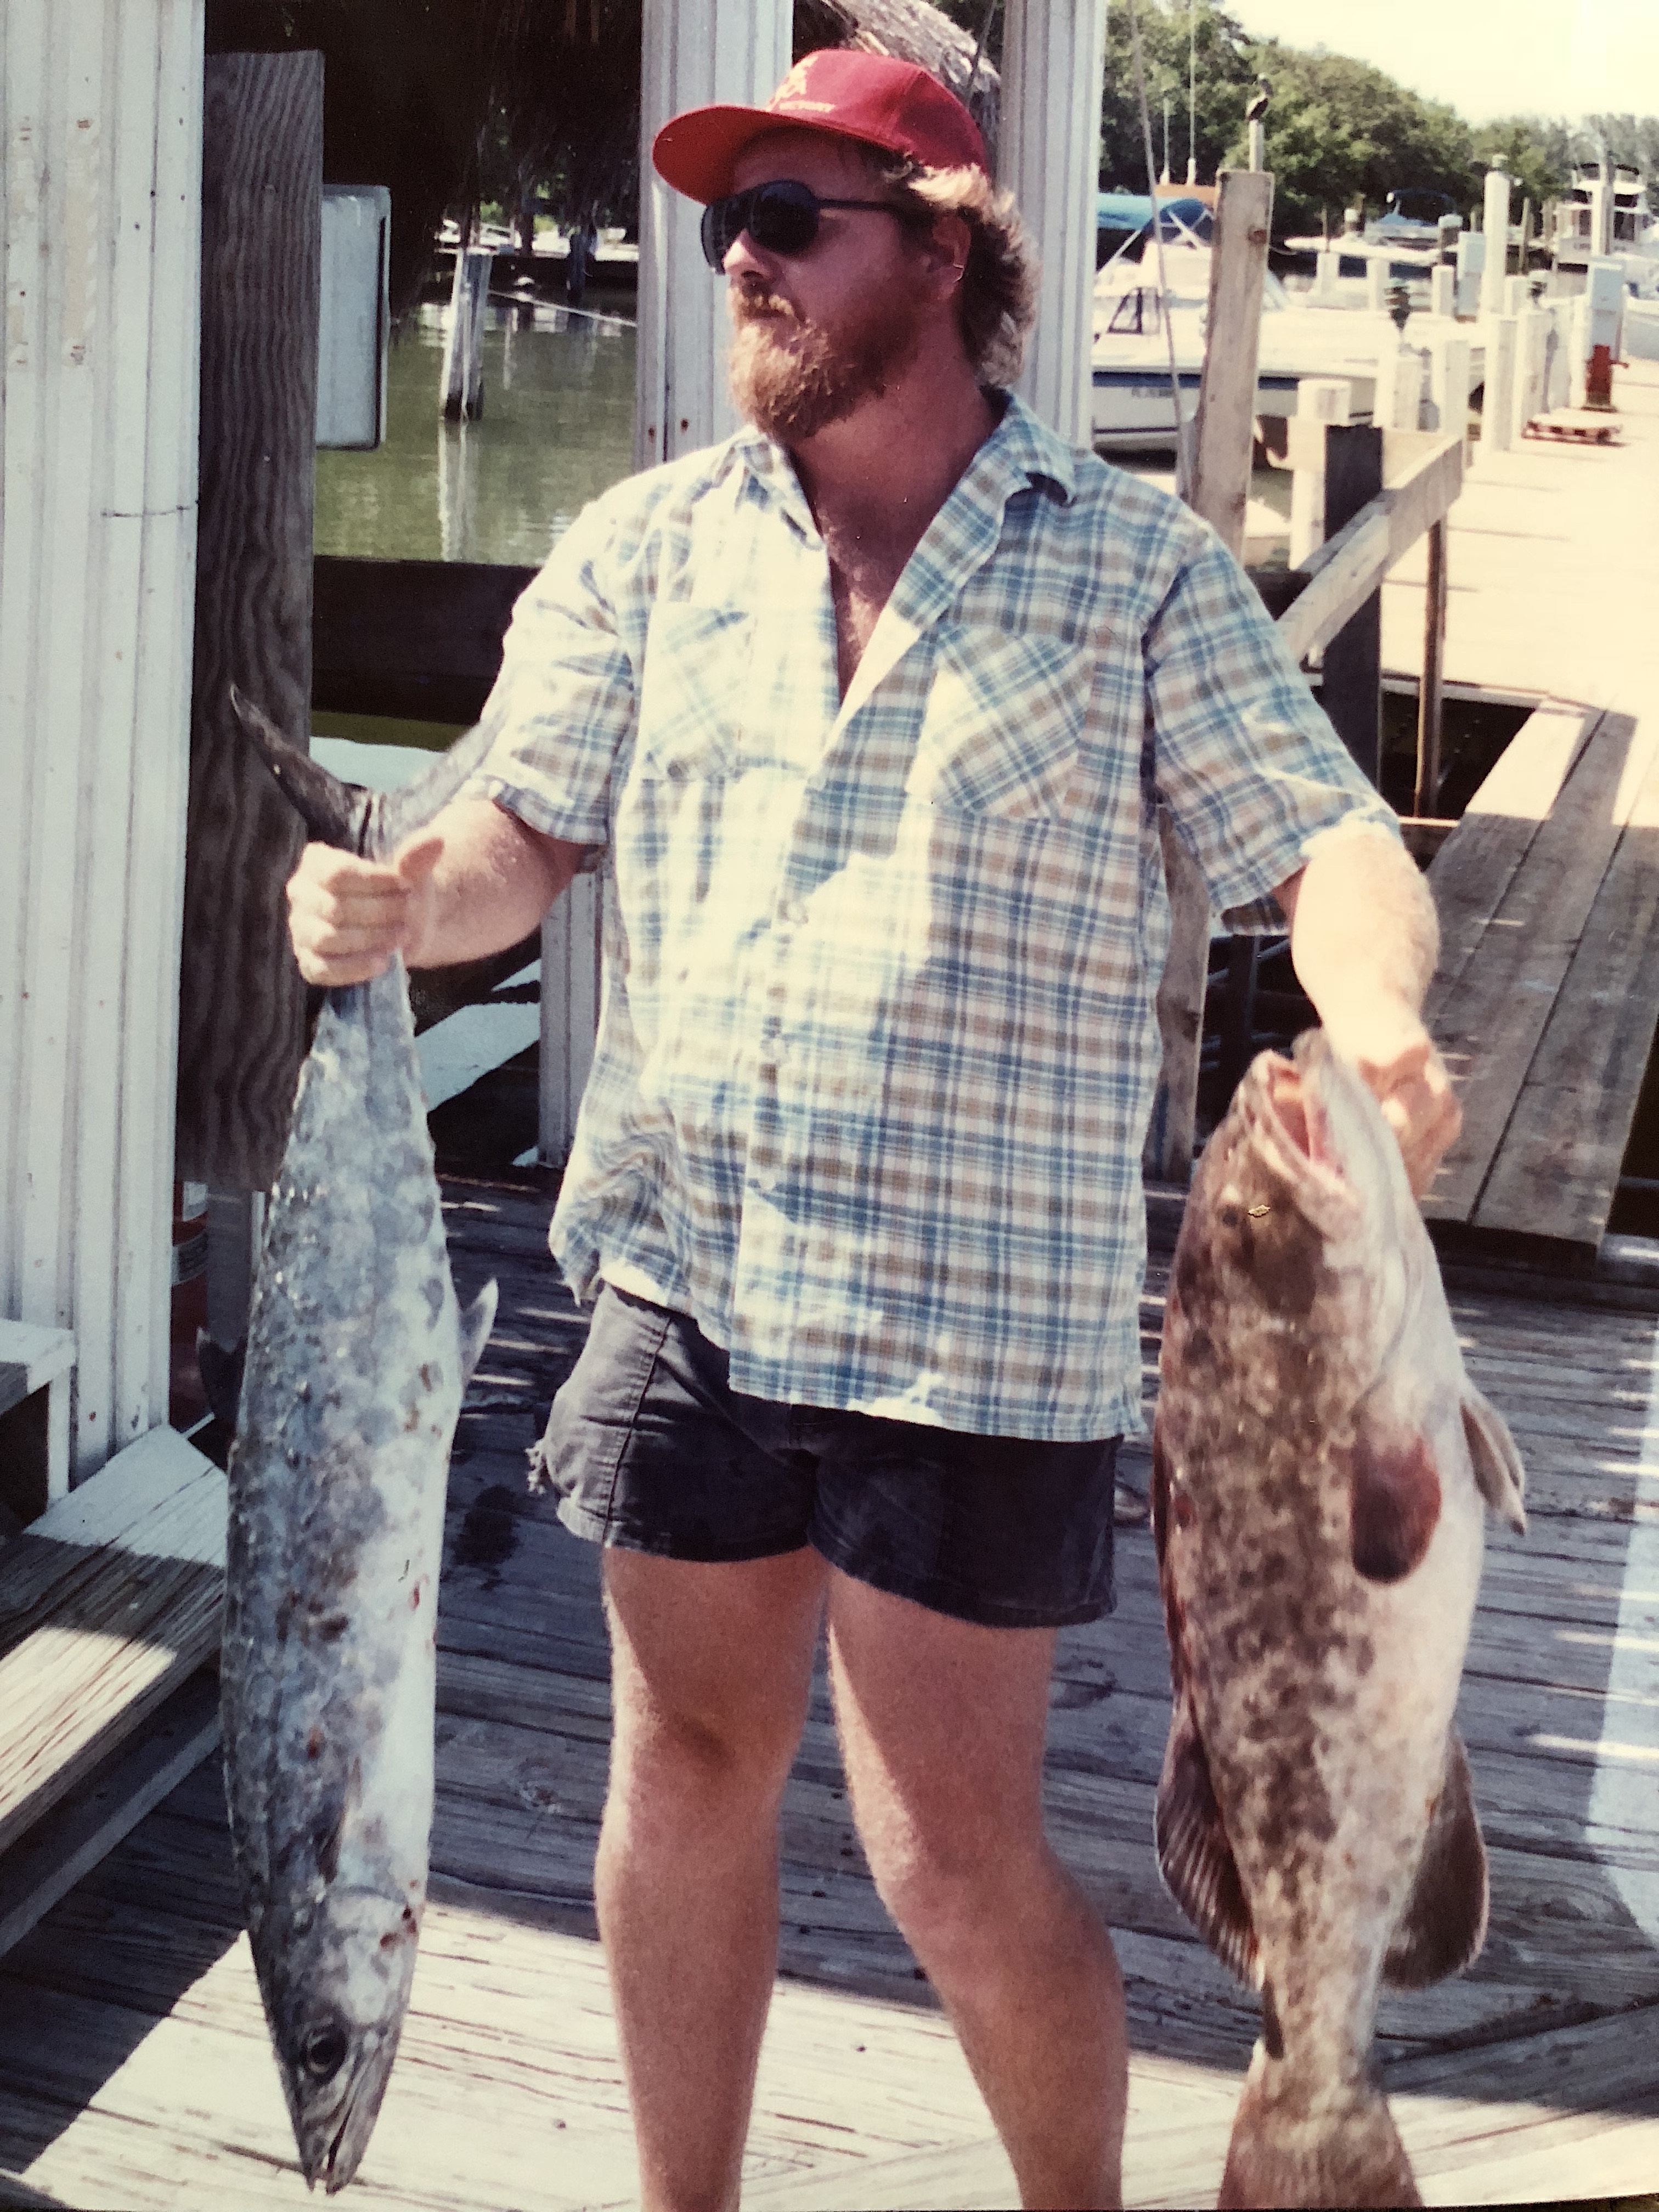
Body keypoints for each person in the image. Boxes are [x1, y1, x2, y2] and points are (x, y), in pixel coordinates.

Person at [285, 49, 1460, 2212]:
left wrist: (1374, 1016)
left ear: (941, 253)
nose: (738, 264)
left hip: (972, 1328)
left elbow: (1331, 845)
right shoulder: (649, 546)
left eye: (787, 220)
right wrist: (395, 901)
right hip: (687, 1278)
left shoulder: (1133, 567)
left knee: (949, 1860)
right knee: (685, 1768)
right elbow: (514, 840)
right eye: (721, 226)